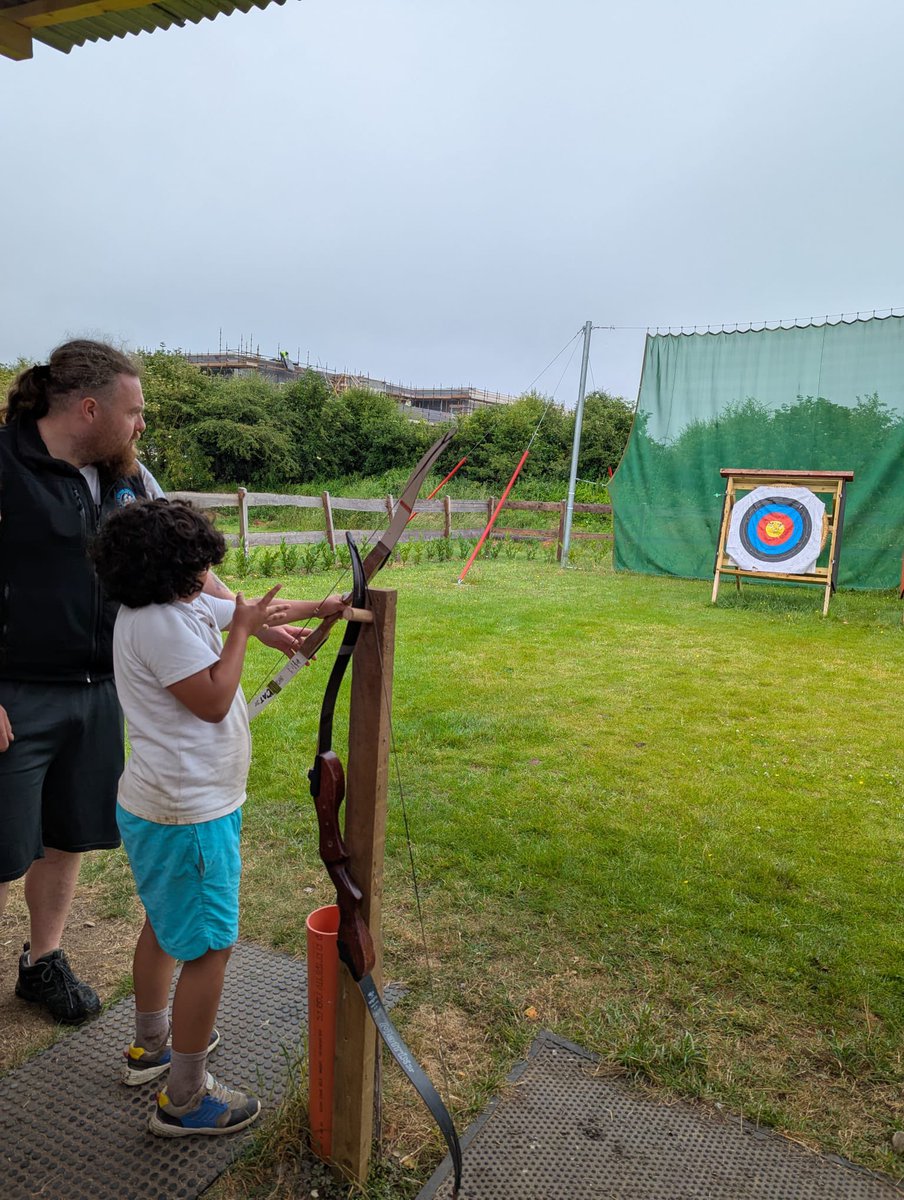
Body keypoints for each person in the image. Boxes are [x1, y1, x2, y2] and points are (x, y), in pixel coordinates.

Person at [0, 339, 299, 1024]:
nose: (141, 425)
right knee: (1, 847)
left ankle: (42, 961)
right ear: (88, 407)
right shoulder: (5, 465)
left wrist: (253, 619)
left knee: (65, 835)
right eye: (133, 411)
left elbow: (190, 567)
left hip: (99, 688)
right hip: (16, 692)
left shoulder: (129, 478)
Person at [90, 498, 346, 1135]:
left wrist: (321, 609)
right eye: (200, 565)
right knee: (208, 947)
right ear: (170, 569)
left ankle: (152, 1047)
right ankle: (185, 1097)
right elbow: (211, 700)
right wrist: (239, 635)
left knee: (165, 923)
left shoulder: (174, 603)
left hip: (168, 808)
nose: (210, 574)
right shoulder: (158, 624)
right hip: (188, 815)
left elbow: (255, 612)